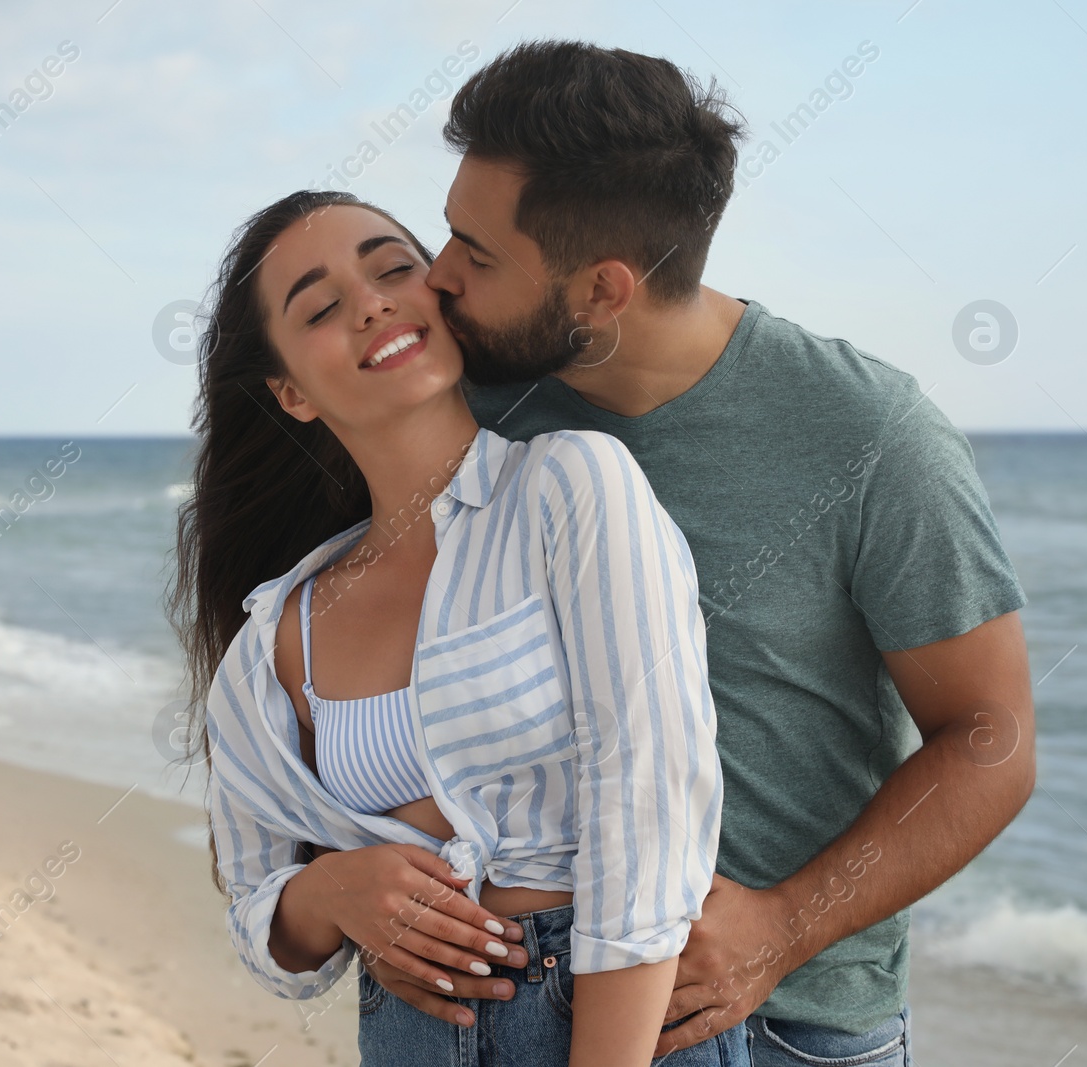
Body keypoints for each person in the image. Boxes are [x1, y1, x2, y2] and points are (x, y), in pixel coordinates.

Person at [348, 41, 1037, 1067]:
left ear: (603, 289)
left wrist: (783, 926)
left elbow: (992, 738)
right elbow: (334, 656)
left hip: (789, 1026)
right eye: (449, 231)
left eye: (477, 253)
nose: (437, 276)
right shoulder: (461, 411)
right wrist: (335, 880)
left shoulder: (869, 433)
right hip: (511, 1010)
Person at [169, 188, 744, 1065]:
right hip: (410, 1035)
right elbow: (261, 920)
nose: (371, 302)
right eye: (322, 308)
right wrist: (329, 892)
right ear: (290, 392)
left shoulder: (570, 484)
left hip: (612, 1017)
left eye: (394, 267)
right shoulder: (278, 635)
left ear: (441, 293)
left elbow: (652, 793)